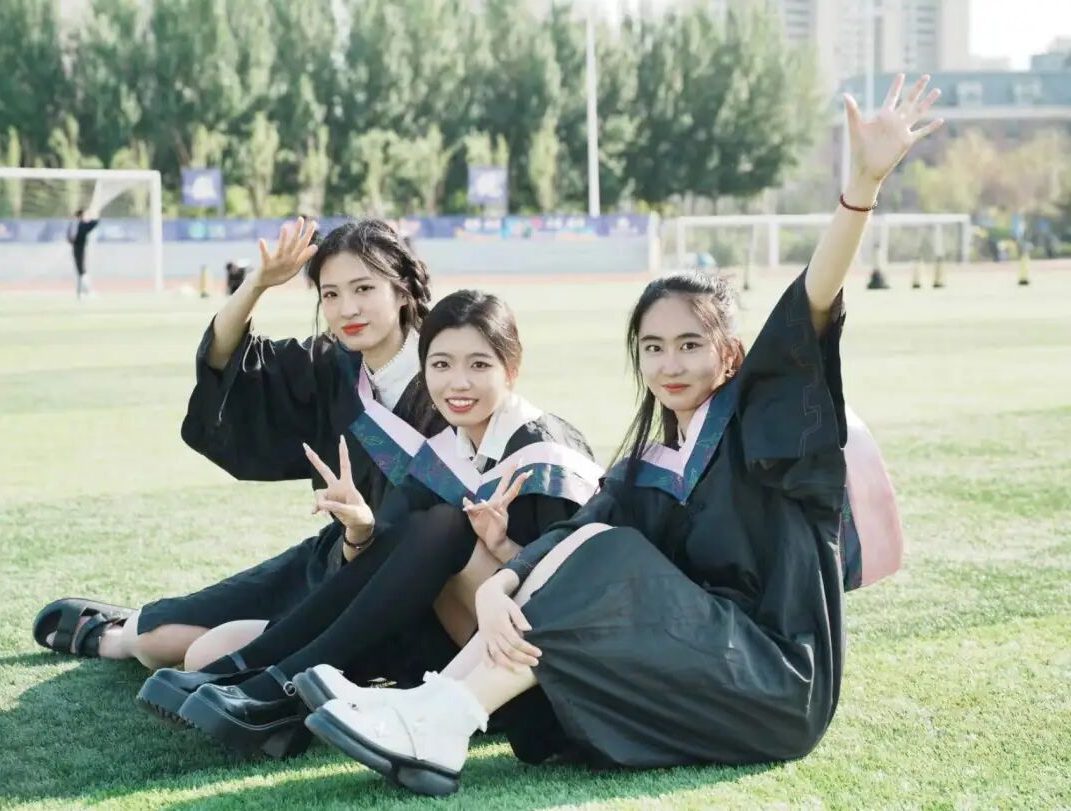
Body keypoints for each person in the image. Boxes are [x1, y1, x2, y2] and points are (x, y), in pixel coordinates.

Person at [297, 73, 944, 797]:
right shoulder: (645, 466)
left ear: (731, 353)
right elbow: (576, 536)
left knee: (608, 551)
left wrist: (862, 186)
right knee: (594, 541)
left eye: (691, 345)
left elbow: (814, 301)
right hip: (697, 666)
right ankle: (435, 710)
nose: (670, 364)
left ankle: (441, 716)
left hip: (775, 683)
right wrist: (500, 583)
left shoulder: (765, 424)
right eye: (653, 347)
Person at [142, 290, 601, 759]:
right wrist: (361, 529)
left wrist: (504, 551)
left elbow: (579, 599)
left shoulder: (547, 451)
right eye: (441, 365)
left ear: (512, 368)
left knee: (446, 526)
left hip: (544, 682)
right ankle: (261, 674)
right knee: (414, 536)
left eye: (479, 365)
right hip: (458, 650)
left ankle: (274, 687)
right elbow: (379, 566)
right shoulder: (452, 449)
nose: (458, 383)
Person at [33, 217, 446, 671]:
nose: (347, 309)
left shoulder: (449, 371)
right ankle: (120, 634)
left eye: (363, 289)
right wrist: (258, 284)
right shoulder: (332, 366)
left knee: (205, 656)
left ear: (401, 290)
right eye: (330, 294)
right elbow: (228, 359)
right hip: (341, 558)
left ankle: (135, 636)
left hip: (414, 589)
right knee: (154, 642)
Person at [68, 208, 99, 299]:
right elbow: (94, 223)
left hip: (76, 249)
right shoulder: (81, 225)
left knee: (80, 271)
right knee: (82, 271)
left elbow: (69, 238)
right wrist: (94, 216)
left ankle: (81, 292)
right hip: (79, 249)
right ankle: (86, 292)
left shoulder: (74, 224)